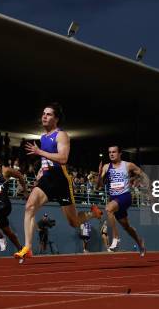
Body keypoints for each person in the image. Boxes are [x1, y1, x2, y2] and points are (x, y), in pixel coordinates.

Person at [13, 103, 102, 263]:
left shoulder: (62, 135)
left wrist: (40, 152)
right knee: (29, 206)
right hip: (48, 178)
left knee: (73, 222)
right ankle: (27, 248)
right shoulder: (43, 137)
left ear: (56, 118)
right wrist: (41, 169)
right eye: (43, 114)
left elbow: (63, 158)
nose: (44, 116)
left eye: (48, 114)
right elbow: (47, 159)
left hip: (61, 180)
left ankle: (92, 214)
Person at [97, 145, 147, 257]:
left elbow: (142, 173)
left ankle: (116, 238)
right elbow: (98, 187)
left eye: (114, 152)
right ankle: (140, 242)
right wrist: (100, 175)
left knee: (108, 209)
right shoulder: (106, 167)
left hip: (125, 196)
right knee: (126, 227)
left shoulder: (128, 165)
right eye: (109, 152)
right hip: (114, 199)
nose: (111, 154)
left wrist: (146, 184)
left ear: (120, 154)